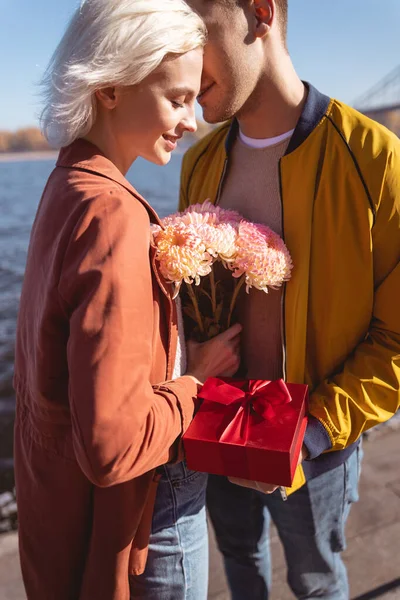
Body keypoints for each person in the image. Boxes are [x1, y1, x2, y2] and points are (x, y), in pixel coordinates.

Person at [13, 1, 242, 599]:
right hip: (112, 549)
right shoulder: (112, 214)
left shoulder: (67, 186)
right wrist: (197, 379)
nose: (192, 121)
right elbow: (112, 448)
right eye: (176, 98)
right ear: (111, 86)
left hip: (56, 534)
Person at [180, 0, 400, 598]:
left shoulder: (375, 157)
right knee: (237, 558)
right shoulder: (199, 160)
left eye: (194, 31)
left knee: (316, 580)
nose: (178, 57)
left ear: (259, 12)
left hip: (321, 446)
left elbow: (399, 340)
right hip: (215, 421)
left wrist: (317, 427)